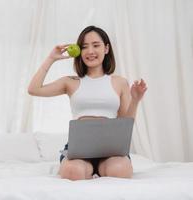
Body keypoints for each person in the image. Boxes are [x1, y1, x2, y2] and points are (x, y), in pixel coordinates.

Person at [27, 25, 147, 181]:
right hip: (78, 150)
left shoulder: (119, 82)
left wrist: (135, 100)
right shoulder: (70, 82)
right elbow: (33, 89)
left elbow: (124, 122)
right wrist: (51, 58)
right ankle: (87, 170)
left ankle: (101, 170)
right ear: (79, 51)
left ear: (106, 48)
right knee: (73, 172)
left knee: (119, 171)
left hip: (111, 149)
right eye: (84, 47)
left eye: (96, 45)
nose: (90, 51)